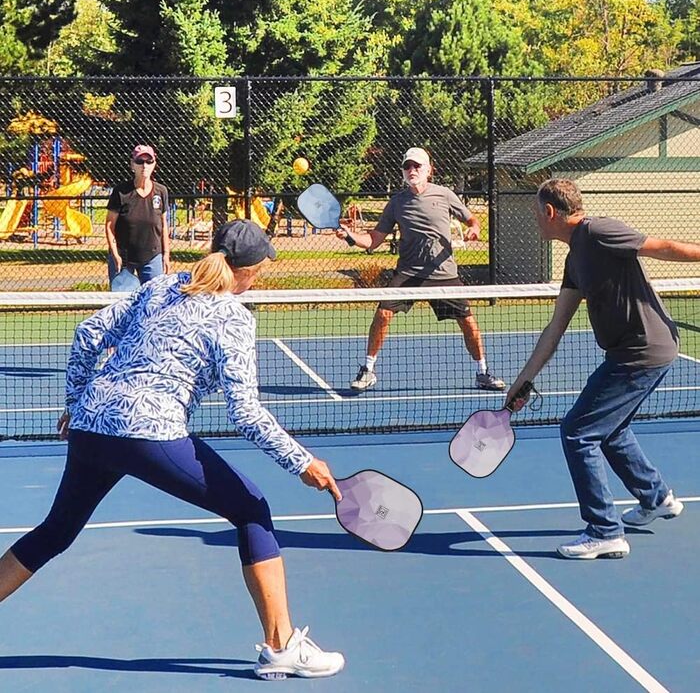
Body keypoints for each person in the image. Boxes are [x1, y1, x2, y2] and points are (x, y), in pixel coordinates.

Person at [0, 220, 345, 680]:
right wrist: (301, 461)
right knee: (251, 509)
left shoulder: (161, 286)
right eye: (261, 269)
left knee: (56, 531)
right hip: (148, 432)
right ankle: (281, 645)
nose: (260, 277)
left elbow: (87, 334)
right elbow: (244, 412)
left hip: (92, 424)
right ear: (247, 270)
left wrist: (76, 402)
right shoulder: (233, 316)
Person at [507, 178, 696, 560]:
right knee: (610, 429)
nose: (535, 221)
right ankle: (655, 497)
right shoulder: (575, 258)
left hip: (642, 351)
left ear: (549, 212)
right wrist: (523, 381)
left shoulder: (598, 231)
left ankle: (605, 530)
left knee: (578, 432)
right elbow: (556, 326)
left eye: (535, 214)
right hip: (632, 353)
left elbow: (665, 247)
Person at [337, 147, 505, 392]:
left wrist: (475, 229)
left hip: (444, 274)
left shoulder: (445, 195)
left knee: (468, 322)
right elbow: (374, 240)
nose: (412, 170)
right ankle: (368, 370)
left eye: (417, 166)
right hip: (408, 273)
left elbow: (472, 220)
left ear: (429, 170)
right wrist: (351, 236)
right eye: (407, 166)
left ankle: (483, 373)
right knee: (383, 314)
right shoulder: (396, 203)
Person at [106, 144, 171, 286]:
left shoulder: (161, 191)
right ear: (132, 165)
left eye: (149, 162)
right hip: (124, 258)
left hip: (152, 256)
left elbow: (164, 225)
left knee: (153, 300)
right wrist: (115, 254)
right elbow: (110, 225)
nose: (144, 166)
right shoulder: (121, 192)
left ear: (154, 164)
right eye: (140, 162)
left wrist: (166, 254)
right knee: (122, 302)